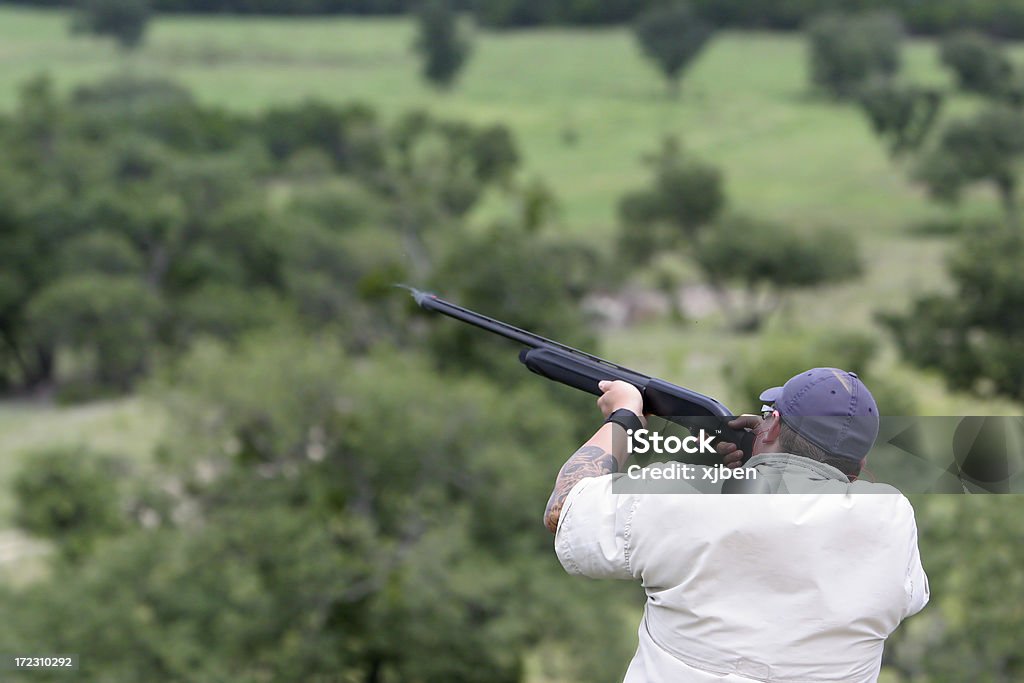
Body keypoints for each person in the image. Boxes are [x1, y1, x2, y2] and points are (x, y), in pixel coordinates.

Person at [543, 367, 929, 683]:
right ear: (859, 464)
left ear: (773, 427)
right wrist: (764, 466)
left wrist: (623, 416)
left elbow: (565, 509)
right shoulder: (892, 516)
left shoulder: (681, 493)